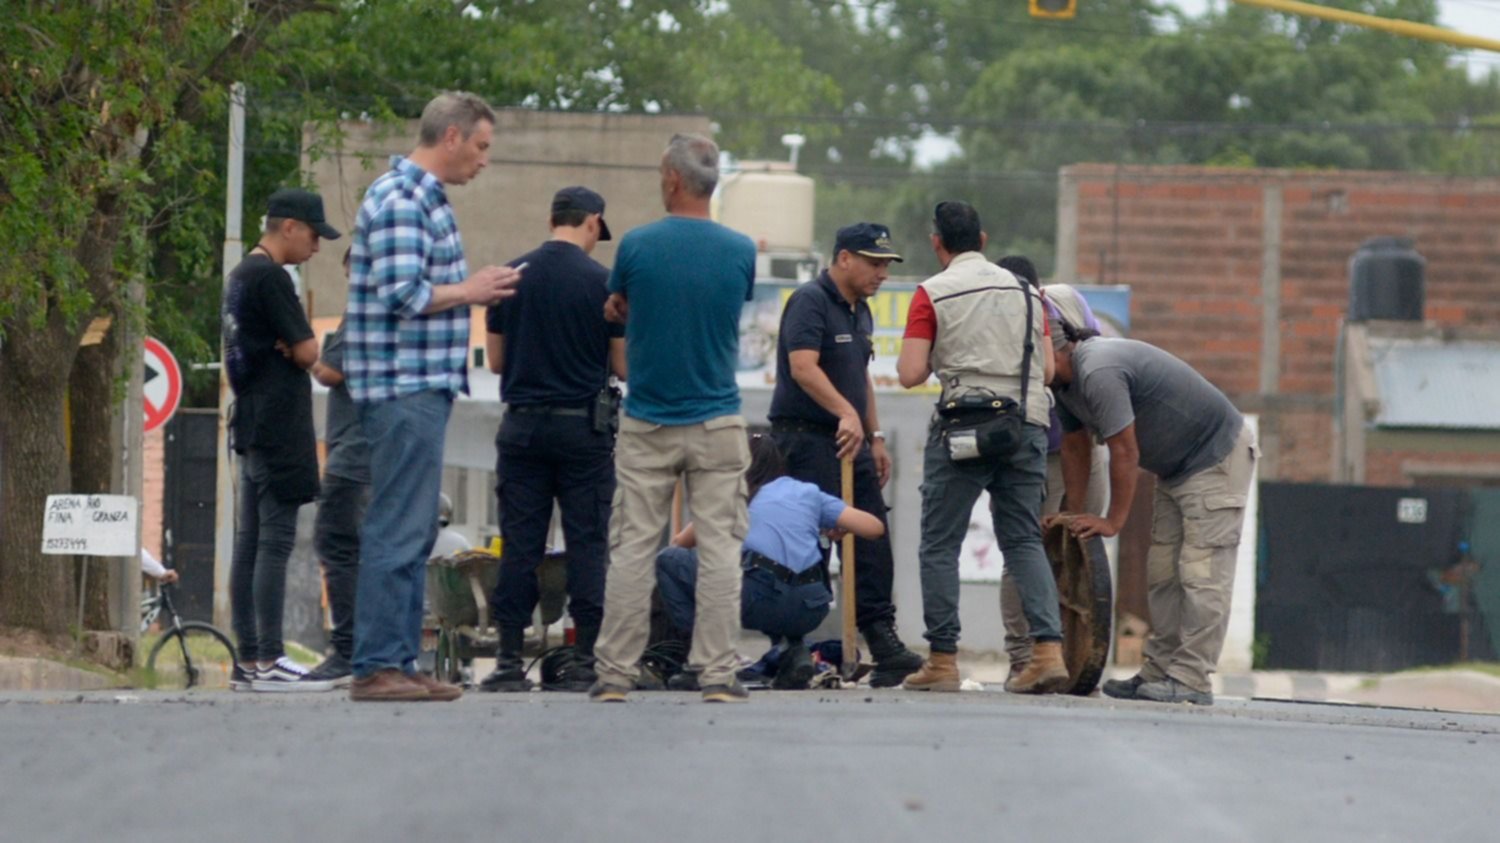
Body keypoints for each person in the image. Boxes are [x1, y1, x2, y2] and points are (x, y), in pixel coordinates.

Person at [343, 91, 521, 702]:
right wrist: (472, 289)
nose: (484, 159)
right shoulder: (399, 200)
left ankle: (397, 659)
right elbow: (403, 294)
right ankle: (376, 666)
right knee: (398, 525)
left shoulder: (424, 200)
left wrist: (473, 289)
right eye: (480, 145)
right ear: (450, 137)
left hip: (418, 384)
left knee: (414, 527)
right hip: (402, 385)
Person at [590, 133, 757, 704]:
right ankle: (716, 675)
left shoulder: (635, 246)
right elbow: (717, 304)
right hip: (717, 421)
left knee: (633, 547)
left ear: (671, 180)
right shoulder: (740, 250)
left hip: (647, 422)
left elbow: (622, 304)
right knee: (719, 550)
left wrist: (626, 306)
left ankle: (614, 674)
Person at [895, 201, 1068, 694]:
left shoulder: (932, 293)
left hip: (964, 432)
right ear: (984, 239)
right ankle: (1047, 653)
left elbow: (909, 374)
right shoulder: (1028, 293)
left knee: (939, 544)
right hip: (1027, 426)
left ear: (937, 243)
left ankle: (944, 661)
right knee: (1022, 540)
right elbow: (1051, 373)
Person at [1046, 328, 1257, 706]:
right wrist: (1074, 516)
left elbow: (1124, 451)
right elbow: (1075, 447)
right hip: (1176, 469)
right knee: (1163, 572)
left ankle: (1192, 678)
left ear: (1052, 347)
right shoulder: (1062, 386)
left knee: (1201, 574)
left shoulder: (1097, 369)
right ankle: (1160, 670)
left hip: (1216, 457)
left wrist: (1112, 521)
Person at [477, 185, 625, 694]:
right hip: (583, 428)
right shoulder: (603, 283)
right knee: (587, 541)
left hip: (521, 426)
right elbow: (623, 364)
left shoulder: (510, 276)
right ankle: (585, 657)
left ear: (551, 218)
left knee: (520, 543)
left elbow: (495, 362)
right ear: (592, 223)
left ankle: (507, 660)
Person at [766, 223, 923, 688]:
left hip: (850, 439)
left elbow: (861, 376)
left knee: (870, 538)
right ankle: (793, 646)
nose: (881, 273)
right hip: (806, 438)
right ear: (843, 259)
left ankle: (881, 637)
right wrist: (844, 414)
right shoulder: (810, 301)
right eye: (874, 263)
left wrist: (873, 434)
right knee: (805, 544)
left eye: (886, 265)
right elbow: (802, 367)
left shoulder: (861, 312)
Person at [222, 187, 340, 693]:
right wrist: (298, 347)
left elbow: (290, 347)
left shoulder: (238, 276)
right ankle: (270, 658)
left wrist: (290, 346)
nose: (317, 247)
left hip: (249, 420)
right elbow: (310, 349)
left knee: (248, 544)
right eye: (314, 235)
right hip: (277, 424)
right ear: (288, 226)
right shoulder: (271, 276)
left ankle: (247, 662)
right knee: (274, 543)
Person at [655, 436, 887, 690]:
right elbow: (874, 528)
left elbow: (680, 545)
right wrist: (837, 526)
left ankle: (700, 662)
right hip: (811, 608)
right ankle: (793, 653)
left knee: (669, 560)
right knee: (782, 572)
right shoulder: (807, 492)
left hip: (758, 601)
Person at [993, 259, 1111, 691]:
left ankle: (1082, 661)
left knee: (1082, 550)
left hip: (1083, 443)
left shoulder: (1066, 303)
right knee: (1025, 549)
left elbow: (1093, 362)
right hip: (1032, 451)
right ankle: (1024, 658)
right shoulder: (993, 321)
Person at [306, 248, 368, 688]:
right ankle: (371, 650)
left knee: (336, 543)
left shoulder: (365, 308)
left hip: (354, 451)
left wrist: (300, 350)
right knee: (368, 551)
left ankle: (346, 650)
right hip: (376, 447)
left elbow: (330, 372)